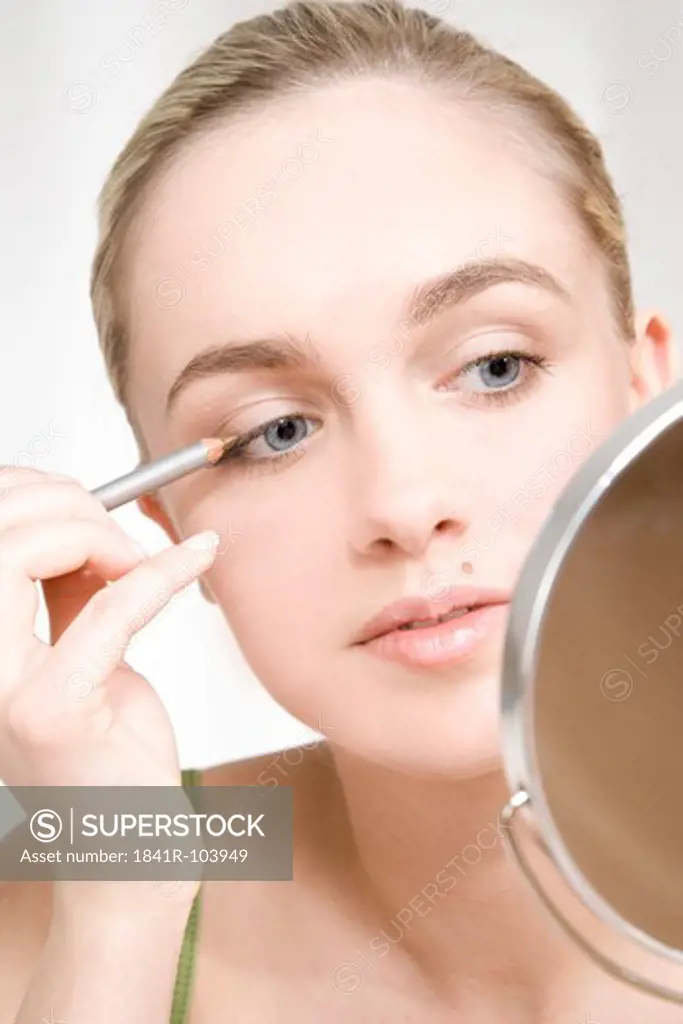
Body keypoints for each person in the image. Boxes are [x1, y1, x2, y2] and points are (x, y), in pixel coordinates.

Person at [0, 1, 679, 1021]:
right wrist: (116, 909)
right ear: (170, 525)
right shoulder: (84, 844)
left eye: (494, 366)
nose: (404, 505)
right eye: (276, 430)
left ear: (648, 391)